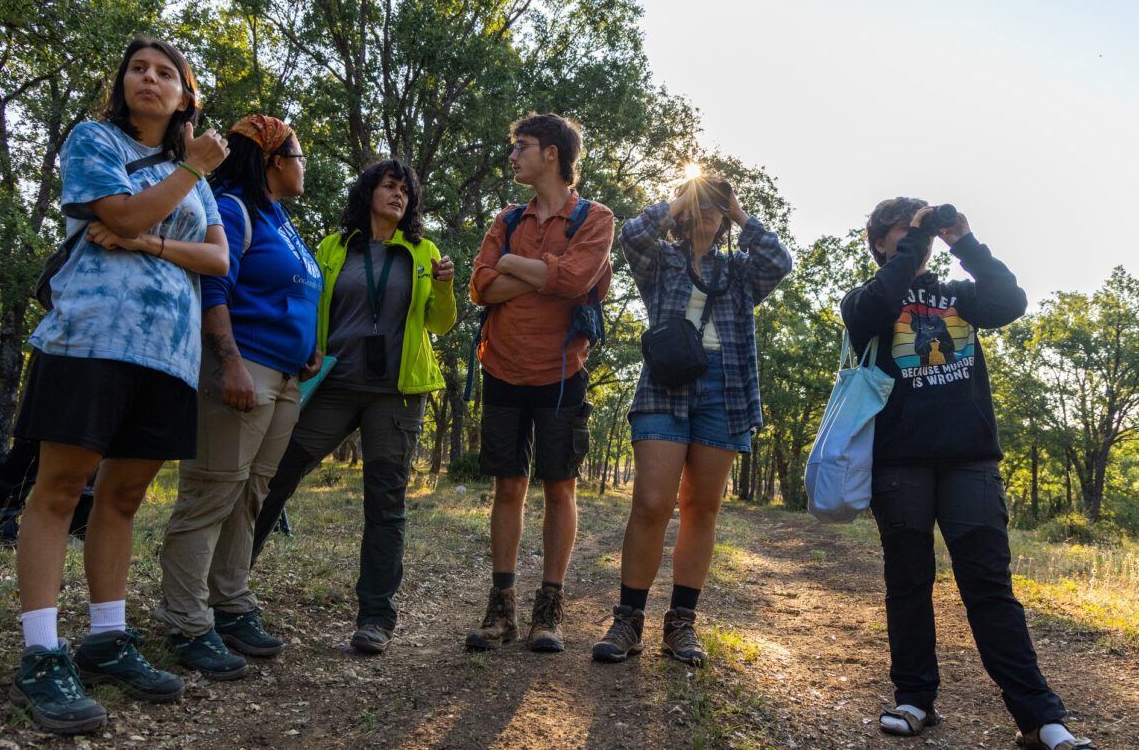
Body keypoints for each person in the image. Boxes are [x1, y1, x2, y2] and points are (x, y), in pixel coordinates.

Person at [10, 36, 230, 734]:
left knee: (125, 496)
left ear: (185, 97)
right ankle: (41, 653)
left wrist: (149, 240)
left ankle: (107, 638)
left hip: (167, 354)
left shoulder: (191, 174)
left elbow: (218, 258)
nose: (150, 78)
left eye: (167, 73)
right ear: (123, 82)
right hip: (91, 339)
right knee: (61, 489)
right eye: (139, 68)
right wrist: (184, 178)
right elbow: (122, 210)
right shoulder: (93, 140)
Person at [840, 198, 1094, 750]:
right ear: (880, 241)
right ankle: (914, 699)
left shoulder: (959, 295)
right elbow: (873, 310)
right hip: (899, 460)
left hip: (970, 457)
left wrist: (964, 241)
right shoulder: (864, 298)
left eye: (920, 232)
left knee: (988, 585)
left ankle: (1038, 716)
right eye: (901, 231)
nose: (916, 238)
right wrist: (911, 244)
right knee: (909, 582)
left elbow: (1011, 300)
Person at [250, 159, 455, 655]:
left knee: (386, 501)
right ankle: (228, 590)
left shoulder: (424, 251)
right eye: (389, 186)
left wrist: (445, 284)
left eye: (406, 191)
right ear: (368, 193)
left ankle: (376, 618)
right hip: (334, 383)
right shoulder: (332, 247)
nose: (399, 196)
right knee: (275, 474)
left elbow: (441, 323)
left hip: (399, 392)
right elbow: (310, 304)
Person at [591, 175, 791, 666]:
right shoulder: (661, 261)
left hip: (727, 389)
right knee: (652, 503)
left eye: (714, 206)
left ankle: (681, 623)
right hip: (665, 385)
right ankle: (628, 620)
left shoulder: (740, 272)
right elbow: (633, 234)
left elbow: (778, 262)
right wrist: (684, 197)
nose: (707, 211)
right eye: (700, 203)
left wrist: (739, 211)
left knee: (701, 508)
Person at [154, 115, 323, 679]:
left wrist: (310, 346)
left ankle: (230, 604)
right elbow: (214, 288)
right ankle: (186, 621)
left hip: (286, 377)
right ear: (275, 161)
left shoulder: (283, 220)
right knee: (211, 492)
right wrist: (229, 363)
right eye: (298, 156)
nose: (305, 167)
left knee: (250, 493)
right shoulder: (232, 208)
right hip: (242, 369)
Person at [464, 113, 613, 653]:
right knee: (508, 487)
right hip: (501, 367)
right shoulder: (506, 219)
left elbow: (577, 280)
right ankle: (499, 610)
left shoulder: (595, 218)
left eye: (520, 147)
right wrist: (536, 273)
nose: (512, 156)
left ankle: (547, 612)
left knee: (559, 488)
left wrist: (512, 265)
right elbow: (480, 286)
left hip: (561, 375)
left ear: (551, 153)